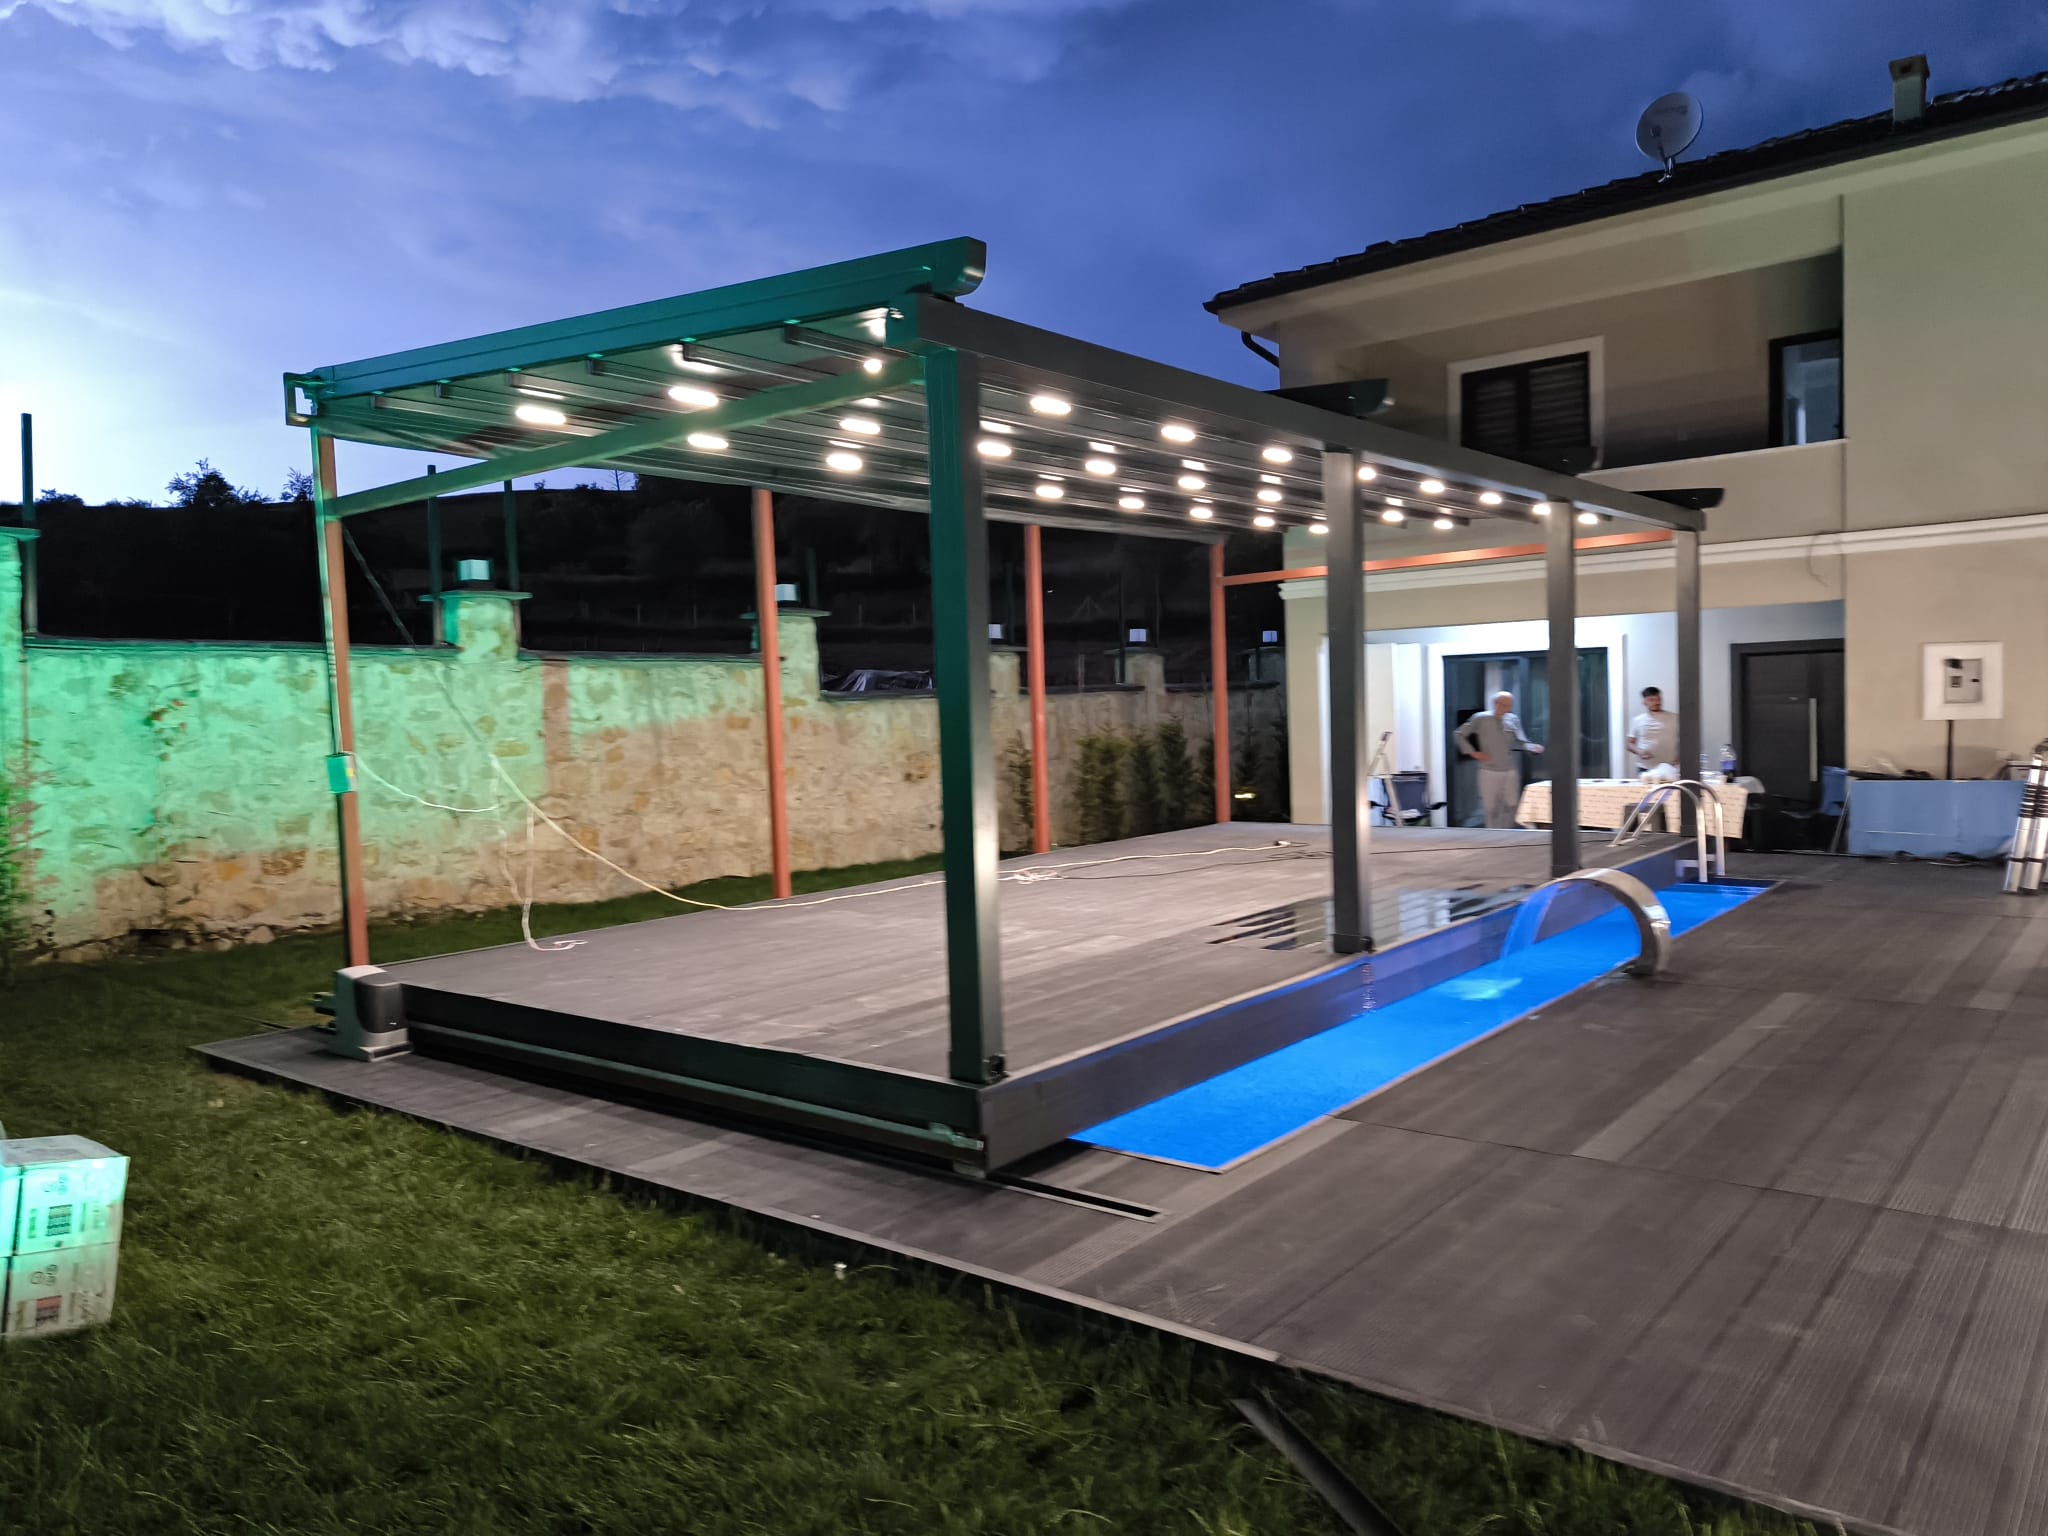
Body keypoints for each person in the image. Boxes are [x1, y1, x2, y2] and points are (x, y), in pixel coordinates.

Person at [1454, 690, 1544, 828]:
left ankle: (1507, 833)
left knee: (1512, 805)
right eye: (1504, 705)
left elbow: (1522, 741)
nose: (1508, 708)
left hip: (1509, 770)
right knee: (1491, 808)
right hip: (1489, 771)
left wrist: (1532, 747)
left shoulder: (1513, 719)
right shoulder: (1480, 718)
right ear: (1495, 703)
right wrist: (1473, 752)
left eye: (1510, 705)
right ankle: (1492, 834)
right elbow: (1459, 734)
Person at [1627, 686, 1679, 773]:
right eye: (1652, 700)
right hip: (1645, 768)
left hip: (1671, 767)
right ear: (1644, 702)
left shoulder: (1675, 718)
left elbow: (1687, 739)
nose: (1656, 702)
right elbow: (1629, 744)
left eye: (1658, 699)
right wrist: (1639, 751)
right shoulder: (1637, 720)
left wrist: (1681, 757)